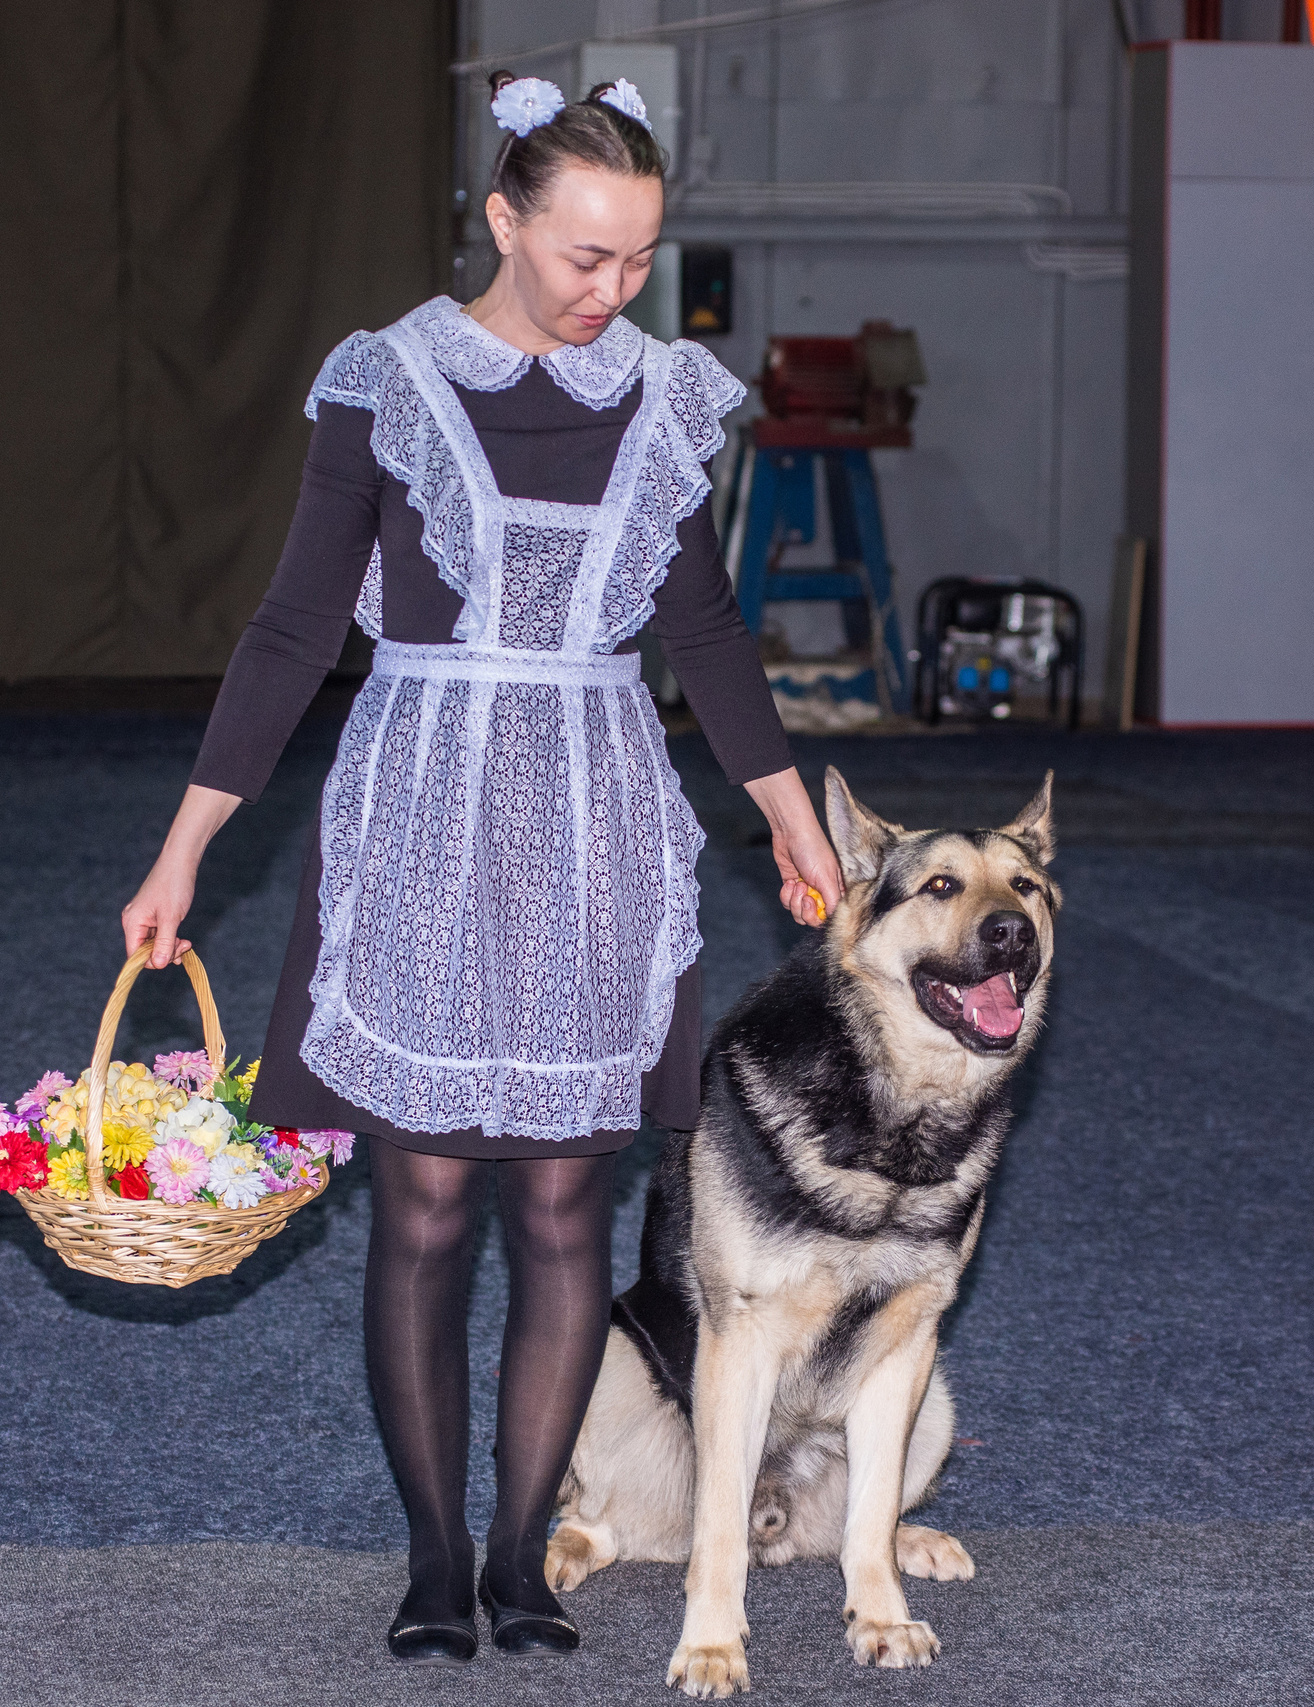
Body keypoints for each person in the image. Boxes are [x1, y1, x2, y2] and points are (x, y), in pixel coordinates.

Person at [121, 71, 844, 1665]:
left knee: (572, 1206)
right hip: (427, 819)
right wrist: (187, 843)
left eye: (639, 257)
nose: (613, 289)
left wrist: (788, 808)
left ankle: (526, 1554)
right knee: (430, 1201)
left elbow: (704, 627)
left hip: (597, 819)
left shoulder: (668, 401)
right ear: (504, 220)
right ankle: (434, 1557)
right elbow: (297, 626)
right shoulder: (385, 384)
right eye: (583, 254)